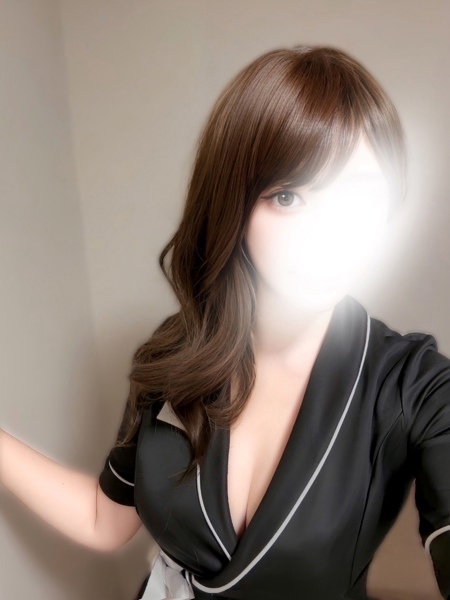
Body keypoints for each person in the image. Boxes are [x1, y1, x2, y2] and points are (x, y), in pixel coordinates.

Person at [1, 44, 449, 600]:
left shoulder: (414, 385)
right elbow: (104, 519)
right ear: (233, 205)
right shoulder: (174, 354)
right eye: (289, 197)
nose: (325, 235)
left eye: (355, 199)